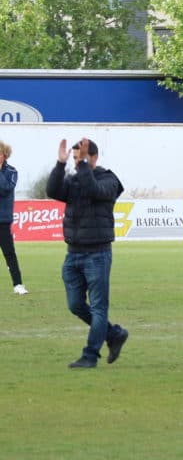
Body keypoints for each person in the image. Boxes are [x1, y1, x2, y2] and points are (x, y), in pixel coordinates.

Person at [46, 138, 128, 369]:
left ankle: (90, 355)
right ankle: (113, 334)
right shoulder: (74, 179)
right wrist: (60, 164)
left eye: (81, 158)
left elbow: (93, 189)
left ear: (94, 157)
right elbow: (52, 190)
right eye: (75, 158)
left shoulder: (109, 180)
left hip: (97, 254)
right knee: (75, 305)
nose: (77, 162)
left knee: (99, 307)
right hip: (73, 254)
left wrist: (81, 166)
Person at [0, 141, 26, 295]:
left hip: (3, 220)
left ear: (5, 155)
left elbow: (6, 189)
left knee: (9, 253)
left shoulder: (12, 171)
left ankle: (18, 284)